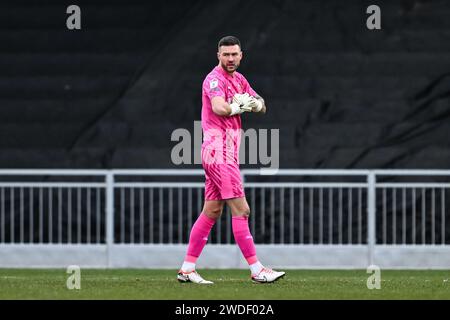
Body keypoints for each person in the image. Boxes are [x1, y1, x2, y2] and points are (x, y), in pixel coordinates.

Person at [177, 36, 285, 284]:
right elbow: (219, 108)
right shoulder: (214, 79)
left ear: (241, 55)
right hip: (219, 152)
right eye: (225, 54)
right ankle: (257, 270)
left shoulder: (240, 80)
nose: (230, 59)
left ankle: (187, 269)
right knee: (242, 210)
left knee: (212, 210)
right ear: (218, 55)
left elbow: (262, 104)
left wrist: (253, 105)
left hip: (223, 153)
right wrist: (239, 107)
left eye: (234, 54)